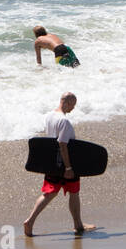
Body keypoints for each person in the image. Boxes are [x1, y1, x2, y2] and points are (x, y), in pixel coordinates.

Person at [23, 92, 94, 236]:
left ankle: (30, 221)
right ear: (66, 102)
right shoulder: (64, 121)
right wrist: (68, 168)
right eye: (72, 105)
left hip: (52, 163)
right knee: (74, 192)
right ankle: (78, 226)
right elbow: (62, 144)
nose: (73, 109)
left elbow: (51, 141)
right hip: (65, 162)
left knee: (49, 193)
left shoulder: (49, 116)